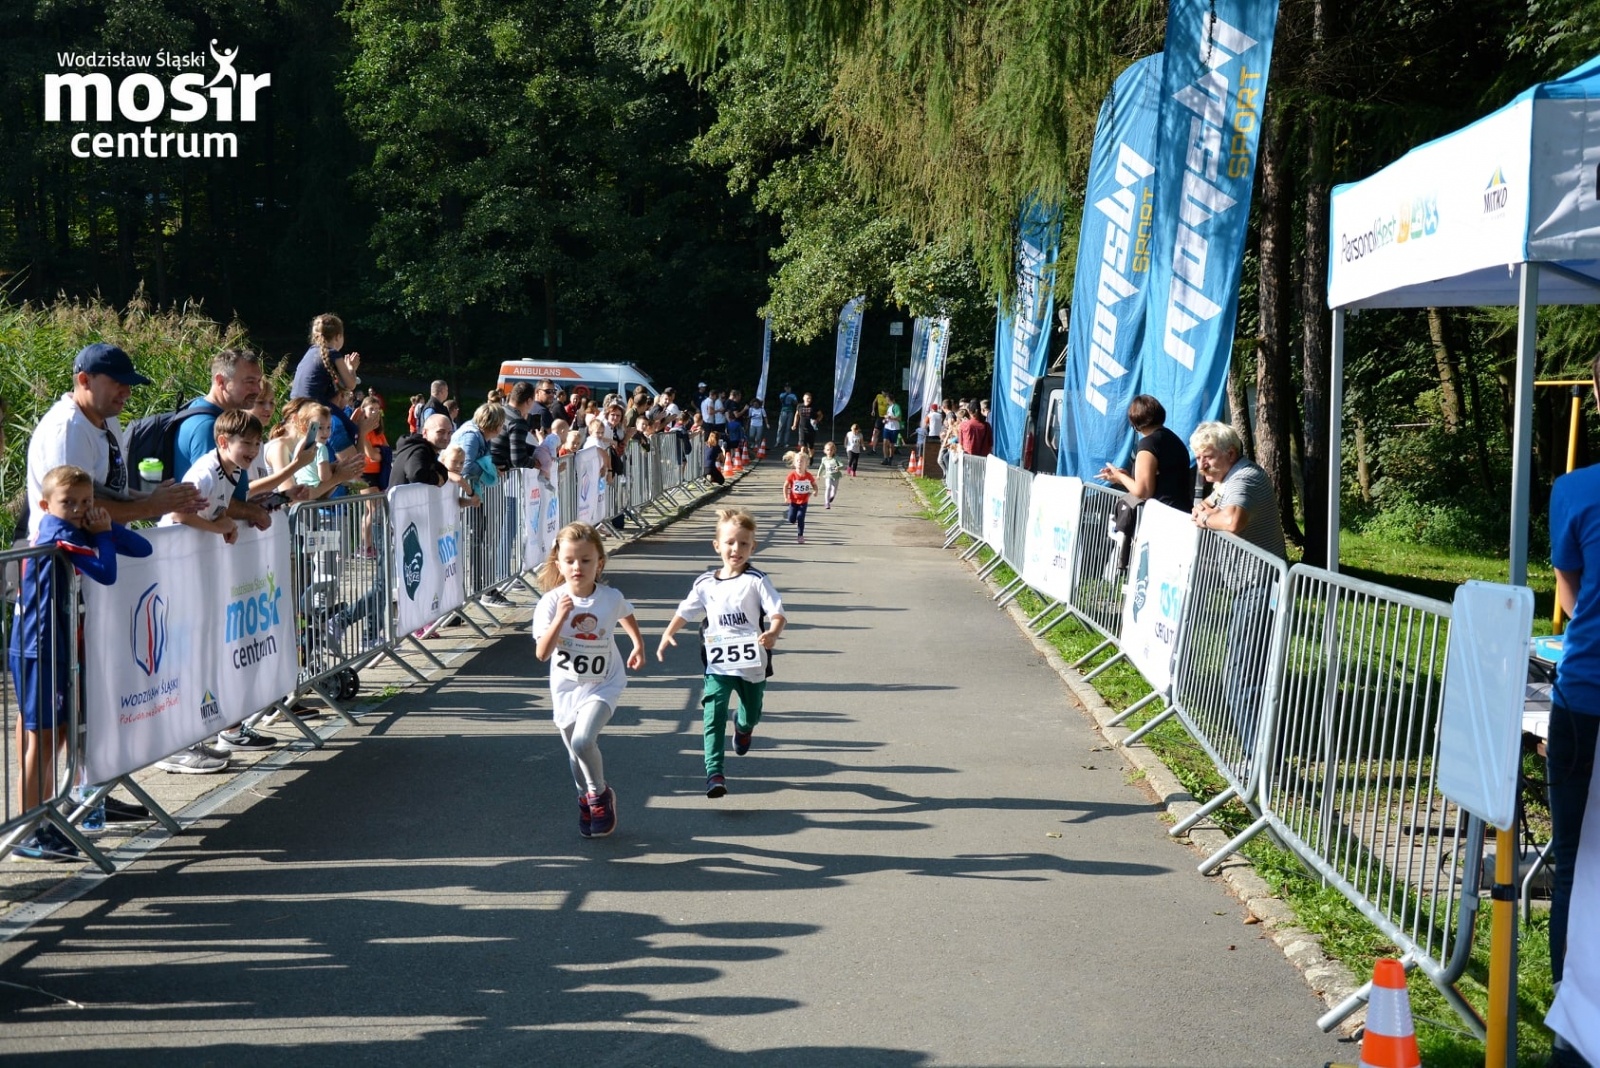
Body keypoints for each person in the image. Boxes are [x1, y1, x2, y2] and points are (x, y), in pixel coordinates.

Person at [9, 465, 153, 861]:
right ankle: (28, 828)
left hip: (56, 645)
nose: (77, 509)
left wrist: (100, 524)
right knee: (42, 740)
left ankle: (41, 820)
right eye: (68, 502)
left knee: (55, 738)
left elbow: (143, 548)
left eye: (86, 502)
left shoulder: (78, 529)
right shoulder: (58, 535)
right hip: (39, 647)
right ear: (44, 504)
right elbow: (105, 572)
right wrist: (102, 534)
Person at [1547, 357, 1600, 1068]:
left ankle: (1573, 1024)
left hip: (1585, 692)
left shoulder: (1575, 489)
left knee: (1572, 864)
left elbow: (1568, 596)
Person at [656, 508, 786, 799]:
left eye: (743, 543)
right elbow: (685, 611)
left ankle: (743, 727)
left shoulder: (757, 580)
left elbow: (777, 612)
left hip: (753, 663)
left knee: (751, 713)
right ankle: (714, 772)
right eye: (729, 542)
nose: (735, 549)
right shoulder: (705, 583)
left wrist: (773, 633)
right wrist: (668, 633)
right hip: (718, 663)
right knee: (712, 714)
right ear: (717, 545)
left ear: (753, 547)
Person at [532, 522, 645, 838]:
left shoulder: (610, 597)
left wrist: (637, 643)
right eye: (569, 561)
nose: (577, 567)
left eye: (585, 560)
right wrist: (560, 619)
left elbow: (625, 613)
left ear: (600, 563)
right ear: (559, 564)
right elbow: (542, 653)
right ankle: (585, 798)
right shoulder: (551, 603)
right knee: (574, 753)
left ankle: (599, 794)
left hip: (604, 682)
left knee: (583, 741)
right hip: (567, 688)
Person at [25, 343, 205, 540]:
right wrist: (151, 506)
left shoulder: (107, 418)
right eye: (118, 382)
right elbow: (78, 508)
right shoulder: (68, 430)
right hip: (64, 556)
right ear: (85, 380)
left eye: (128, 384)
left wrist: (168, 501)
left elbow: (111, 489)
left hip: (95, 550)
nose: (127, 392)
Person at [1097, 394, 1193, 510]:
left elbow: (1143, 492)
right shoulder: (1173, 439)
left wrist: (1120, 476)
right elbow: (1164, 481)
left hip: (1164, 515)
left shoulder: (1148, 444)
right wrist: (1125, 478)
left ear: (1135, 422)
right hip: (1183, 512)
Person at [392, 413, 454, 487]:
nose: (446, 437)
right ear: (425, 433)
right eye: (440, 432)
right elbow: (416, 474)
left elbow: (442, 471)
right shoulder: (418, 450)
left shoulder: (427, 451)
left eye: (449, 433)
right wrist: (436, 479)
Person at [782, 449, 815, 544]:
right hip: (793, 501)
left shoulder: (808, 475)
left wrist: (815, 491)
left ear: (806, 464)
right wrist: (785, 497)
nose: (799, 463)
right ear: (794, 463)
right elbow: (785, 486)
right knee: (791, 519)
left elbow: (814, 485)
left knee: (800, 517)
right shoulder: (792, 475)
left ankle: (800, 535)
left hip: (804, 501)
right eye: (797, 461)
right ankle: (792, 517)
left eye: (802, 461)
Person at [818, 441, 845, 509]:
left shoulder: (836, 458)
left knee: (834, 490)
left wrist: (838, 467)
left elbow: (842, 465)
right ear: (824, 451)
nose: (829, 451)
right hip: (828, 475)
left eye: (831, 450)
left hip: (836, 476)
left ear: (834, 450)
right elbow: (822, 467)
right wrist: (818, 475)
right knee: (828, 487)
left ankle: (832, 497)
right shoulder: (824, 459)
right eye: (828, 450)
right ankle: (827, 503)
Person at [881, 396, 903, 465]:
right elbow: (887, 416)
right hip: (887, 427)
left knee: (891, 444)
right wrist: (885, 420)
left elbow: (899, 418)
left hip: (894, 428)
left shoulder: (896, 407)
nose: (886, 401)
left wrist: (890, 417)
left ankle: (890, 458)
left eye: (887, 400)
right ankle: (885, 458)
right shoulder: (888, 407)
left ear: (892, 400)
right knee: (885, 442)